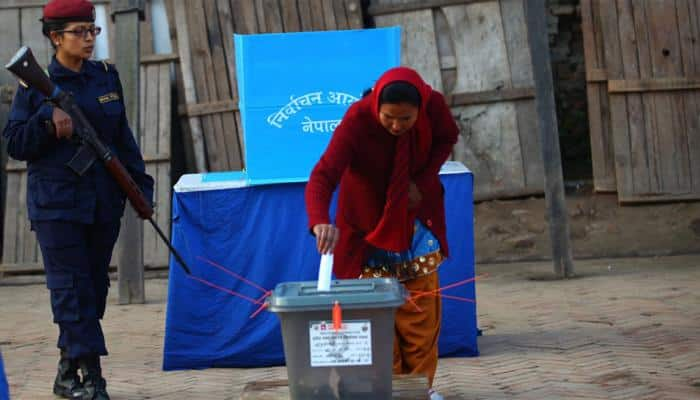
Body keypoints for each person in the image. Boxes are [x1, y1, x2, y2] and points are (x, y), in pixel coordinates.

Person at [2, 0, 153, 399]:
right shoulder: (34, 85)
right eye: (79, 32)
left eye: (93, 31)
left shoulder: (105, 78)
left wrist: (140, 188)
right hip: (57, 206)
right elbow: (15, 143)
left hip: (102, 203)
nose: (89, 39)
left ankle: (67, 372)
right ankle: (93, 379)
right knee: (71, 289)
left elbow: (122, 140)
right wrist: (46, 124)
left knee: (95, 288)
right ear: (55, 37)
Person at [305, 67, 459, 400]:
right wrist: (319, 220)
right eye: (389, 118)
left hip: (416, 221)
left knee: (420, 320)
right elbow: (323, 175)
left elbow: (447, 138)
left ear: (420, 108)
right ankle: (387, 391)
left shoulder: (434, 106)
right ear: (376, 106)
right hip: (367, 227)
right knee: (378, 323)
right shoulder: (357, 121)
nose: (396, 126)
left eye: (406, 119)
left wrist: (423, 179)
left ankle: (419, 390)